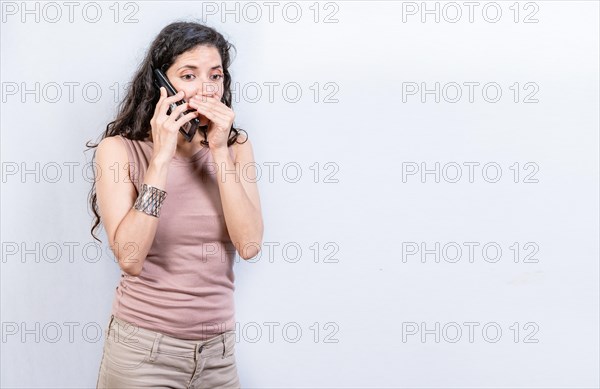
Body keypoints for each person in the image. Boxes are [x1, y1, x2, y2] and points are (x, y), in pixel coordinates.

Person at [87, 21, 264, 388]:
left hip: (218, 355)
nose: (206, 88)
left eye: (215, 76)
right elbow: (130, 258)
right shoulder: (120, 151)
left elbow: (249, 244)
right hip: (143, 354)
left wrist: (217, 150)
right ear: (161, 85)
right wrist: (162, 158)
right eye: (188, 75)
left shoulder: (234, 146)